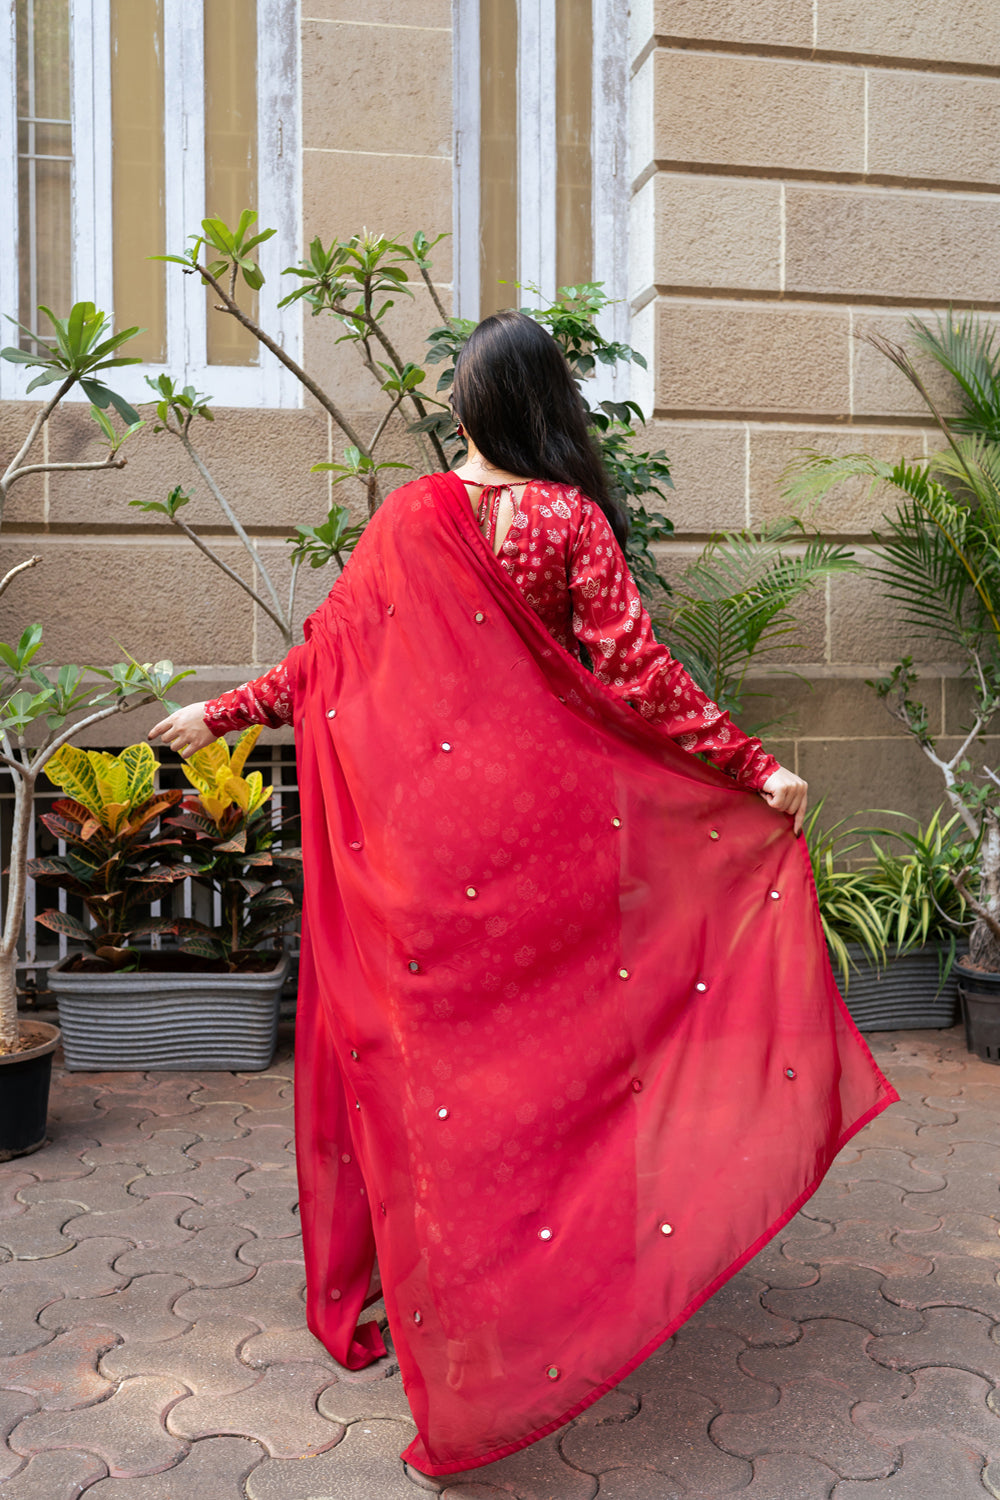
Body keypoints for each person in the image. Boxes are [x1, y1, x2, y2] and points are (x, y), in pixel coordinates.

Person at [150, 312, 896, 1479]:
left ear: (463, 409)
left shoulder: (409, 519)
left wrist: (224, 710)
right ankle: (567, 1280)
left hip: (420, 855)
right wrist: (755, 769)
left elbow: (327, 662)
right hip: (555, 838)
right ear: (552, 409)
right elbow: (639, 674)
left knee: (436, 1079)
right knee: (562, 1059)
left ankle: (445, 1311)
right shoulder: (569, 518)